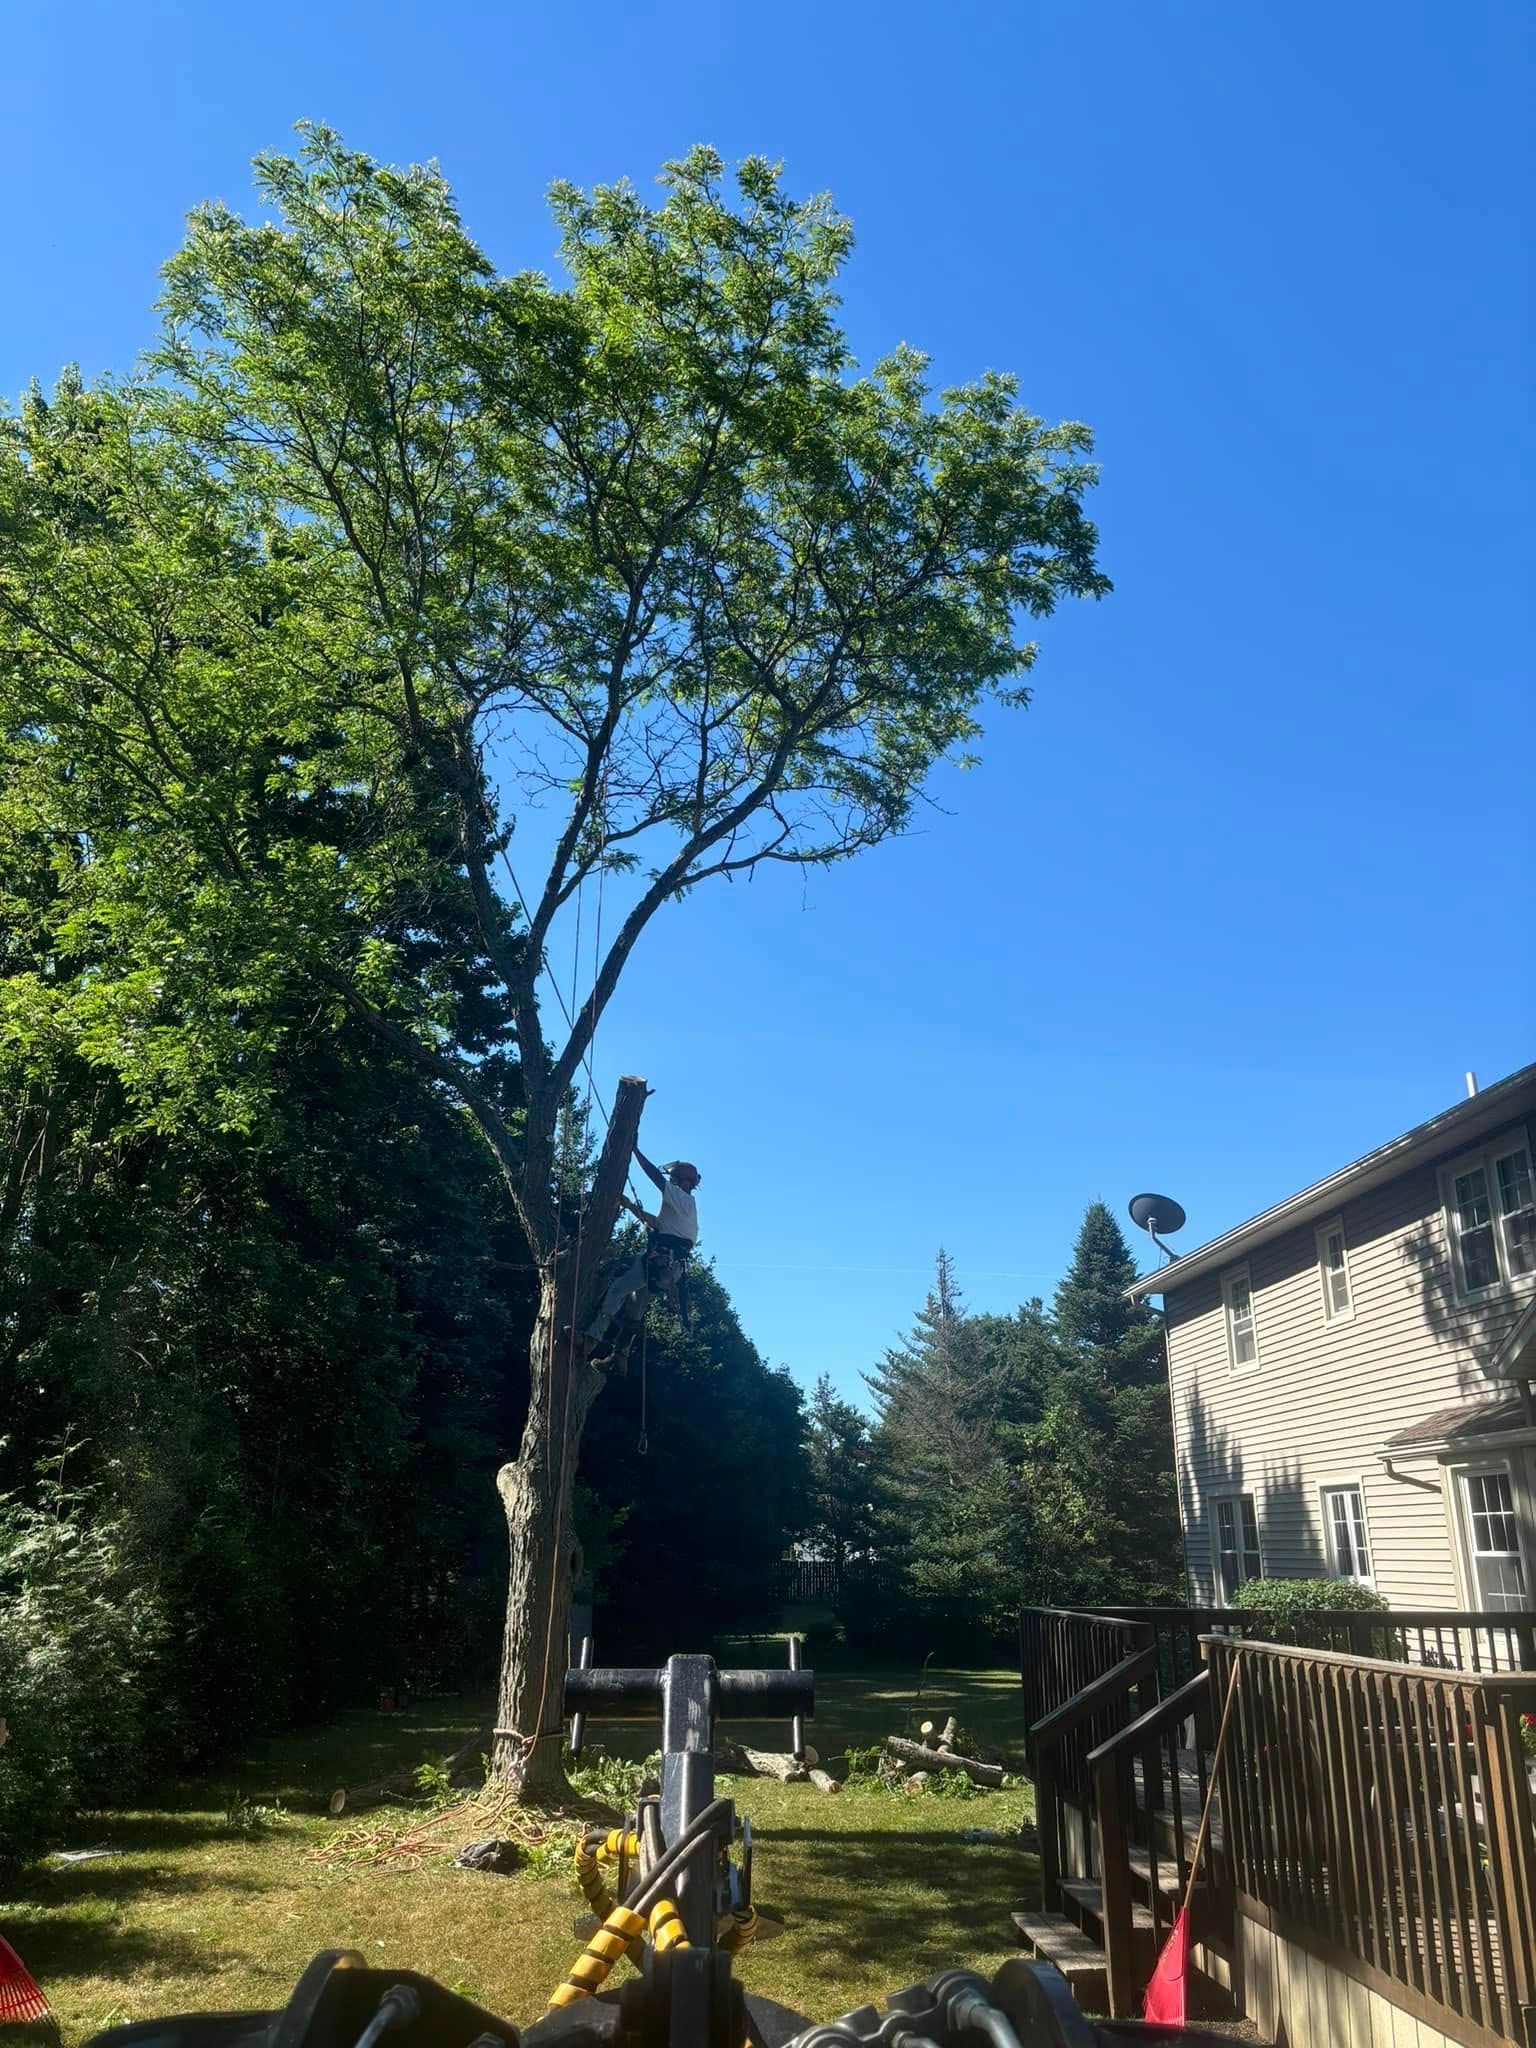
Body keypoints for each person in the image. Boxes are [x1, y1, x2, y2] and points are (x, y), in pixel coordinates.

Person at [583, 1152, 701, 1362]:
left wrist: (634, 1150)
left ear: (682, 1181)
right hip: (671, 1269)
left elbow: (653, 1174)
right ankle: (619, 1355)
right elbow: (656, 1223)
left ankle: (592, 1337)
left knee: (618, 1289)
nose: (671, 1181)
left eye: (674, 1178)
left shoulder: (680, 1197)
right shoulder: (684, 1208)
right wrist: (629, 1206)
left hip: (659, 1261)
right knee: (636, 1305)